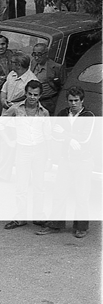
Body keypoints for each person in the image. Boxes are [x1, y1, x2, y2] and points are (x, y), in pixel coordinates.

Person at [0, 80, 51, 230]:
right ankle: (20, 217)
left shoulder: (44, 113)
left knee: (39, 186)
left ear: (40, 95)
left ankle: (38, 216)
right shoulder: (16, 109)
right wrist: (9, 141)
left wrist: (49, 157)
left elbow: (48, 136)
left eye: (35, 94)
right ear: (26, 93)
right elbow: (0, 123)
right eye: (30, 94)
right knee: (21, 186)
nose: (32, 97)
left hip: (39, 151)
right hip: (23, 151)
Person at [48, 87, 95, 237]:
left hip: (83, 161)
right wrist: (70, 139)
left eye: (76, 100)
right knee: (59, 193)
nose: (73, 103)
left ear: (82, 100)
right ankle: (55, 225)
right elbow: (54, 134)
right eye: (70, 100)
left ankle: (81, 227)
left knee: (81, 195)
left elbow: (84, 138)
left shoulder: (89, 116)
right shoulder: (63, 114)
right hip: (66, 159)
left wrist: (65, 135)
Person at [29, 42, 66, 114]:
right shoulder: (33, 63)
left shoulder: (56, 67)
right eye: (34, 54)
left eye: (39, 54)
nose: (36, 57)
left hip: (48, 102)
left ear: (46, 54)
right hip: (34, 100)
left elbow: (63, 86)